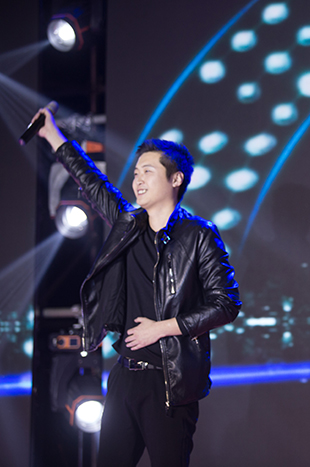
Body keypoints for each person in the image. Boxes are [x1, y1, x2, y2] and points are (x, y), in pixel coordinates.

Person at [35, 106, 242, 467]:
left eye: (148, 171)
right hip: (124, 377)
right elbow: (91, 180)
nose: (138, 180)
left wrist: (162, 329)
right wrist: (52, 134)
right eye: (135, 173)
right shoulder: (127, 224)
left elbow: (227, 303)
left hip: (170, 383)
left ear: (176, 179)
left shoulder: (199, 235)